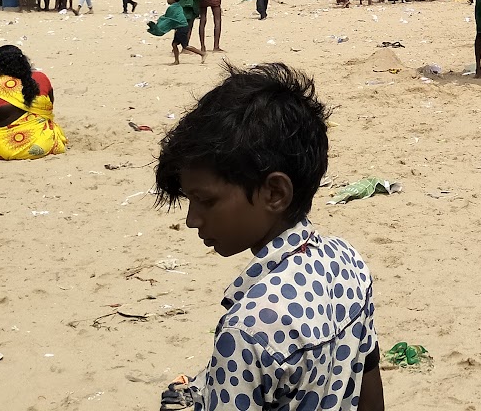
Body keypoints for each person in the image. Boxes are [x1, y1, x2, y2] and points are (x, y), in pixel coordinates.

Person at [153, 64, 384, 411]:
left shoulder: (246, 331)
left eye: (206, 201)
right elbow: (368, 379)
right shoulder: (348, 261)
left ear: (274, 193)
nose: (192, 220)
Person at [0, 44, 67, 160]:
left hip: (0, 150)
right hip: (40, 144)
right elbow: (49, 108)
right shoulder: (41, 78)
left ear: (2, 68)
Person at [149, 0, 205, 64]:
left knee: (185, 46)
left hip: (181, 28)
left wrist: (157, 27)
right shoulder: (178, 6)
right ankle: (176, 61)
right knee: (174, 44)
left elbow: (167, 19)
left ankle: (202, 53)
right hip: (182, 27)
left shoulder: (172, 8)